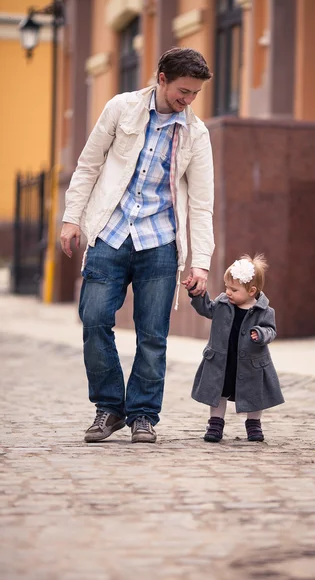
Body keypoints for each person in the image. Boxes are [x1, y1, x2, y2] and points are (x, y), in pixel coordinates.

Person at [60, 48, 214, 444]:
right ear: (161, 78)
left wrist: (201, 263)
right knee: (93, 319)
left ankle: (143, 414)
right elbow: (89, 164)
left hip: (160, 241)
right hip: (110, 232)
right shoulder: (120, 109)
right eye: (183, 90)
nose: (188, 100)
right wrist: (72, 217)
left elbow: (201, 203)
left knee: (153, 334)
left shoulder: (196, 134)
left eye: (195, 94)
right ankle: (109, 408)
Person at [183, 254, 284, 442]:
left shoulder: (264, 311)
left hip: (250, 362)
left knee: (255, 393)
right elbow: (206, 309)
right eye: (226, 287)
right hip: (223, 359)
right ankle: (215, 423)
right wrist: (196, 293)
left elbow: (271, 330)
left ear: (252, 291)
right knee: (219, 391)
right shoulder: (222, 304)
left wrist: (261, 334)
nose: (228, 292)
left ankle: (254, 424)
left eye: (234, 289)